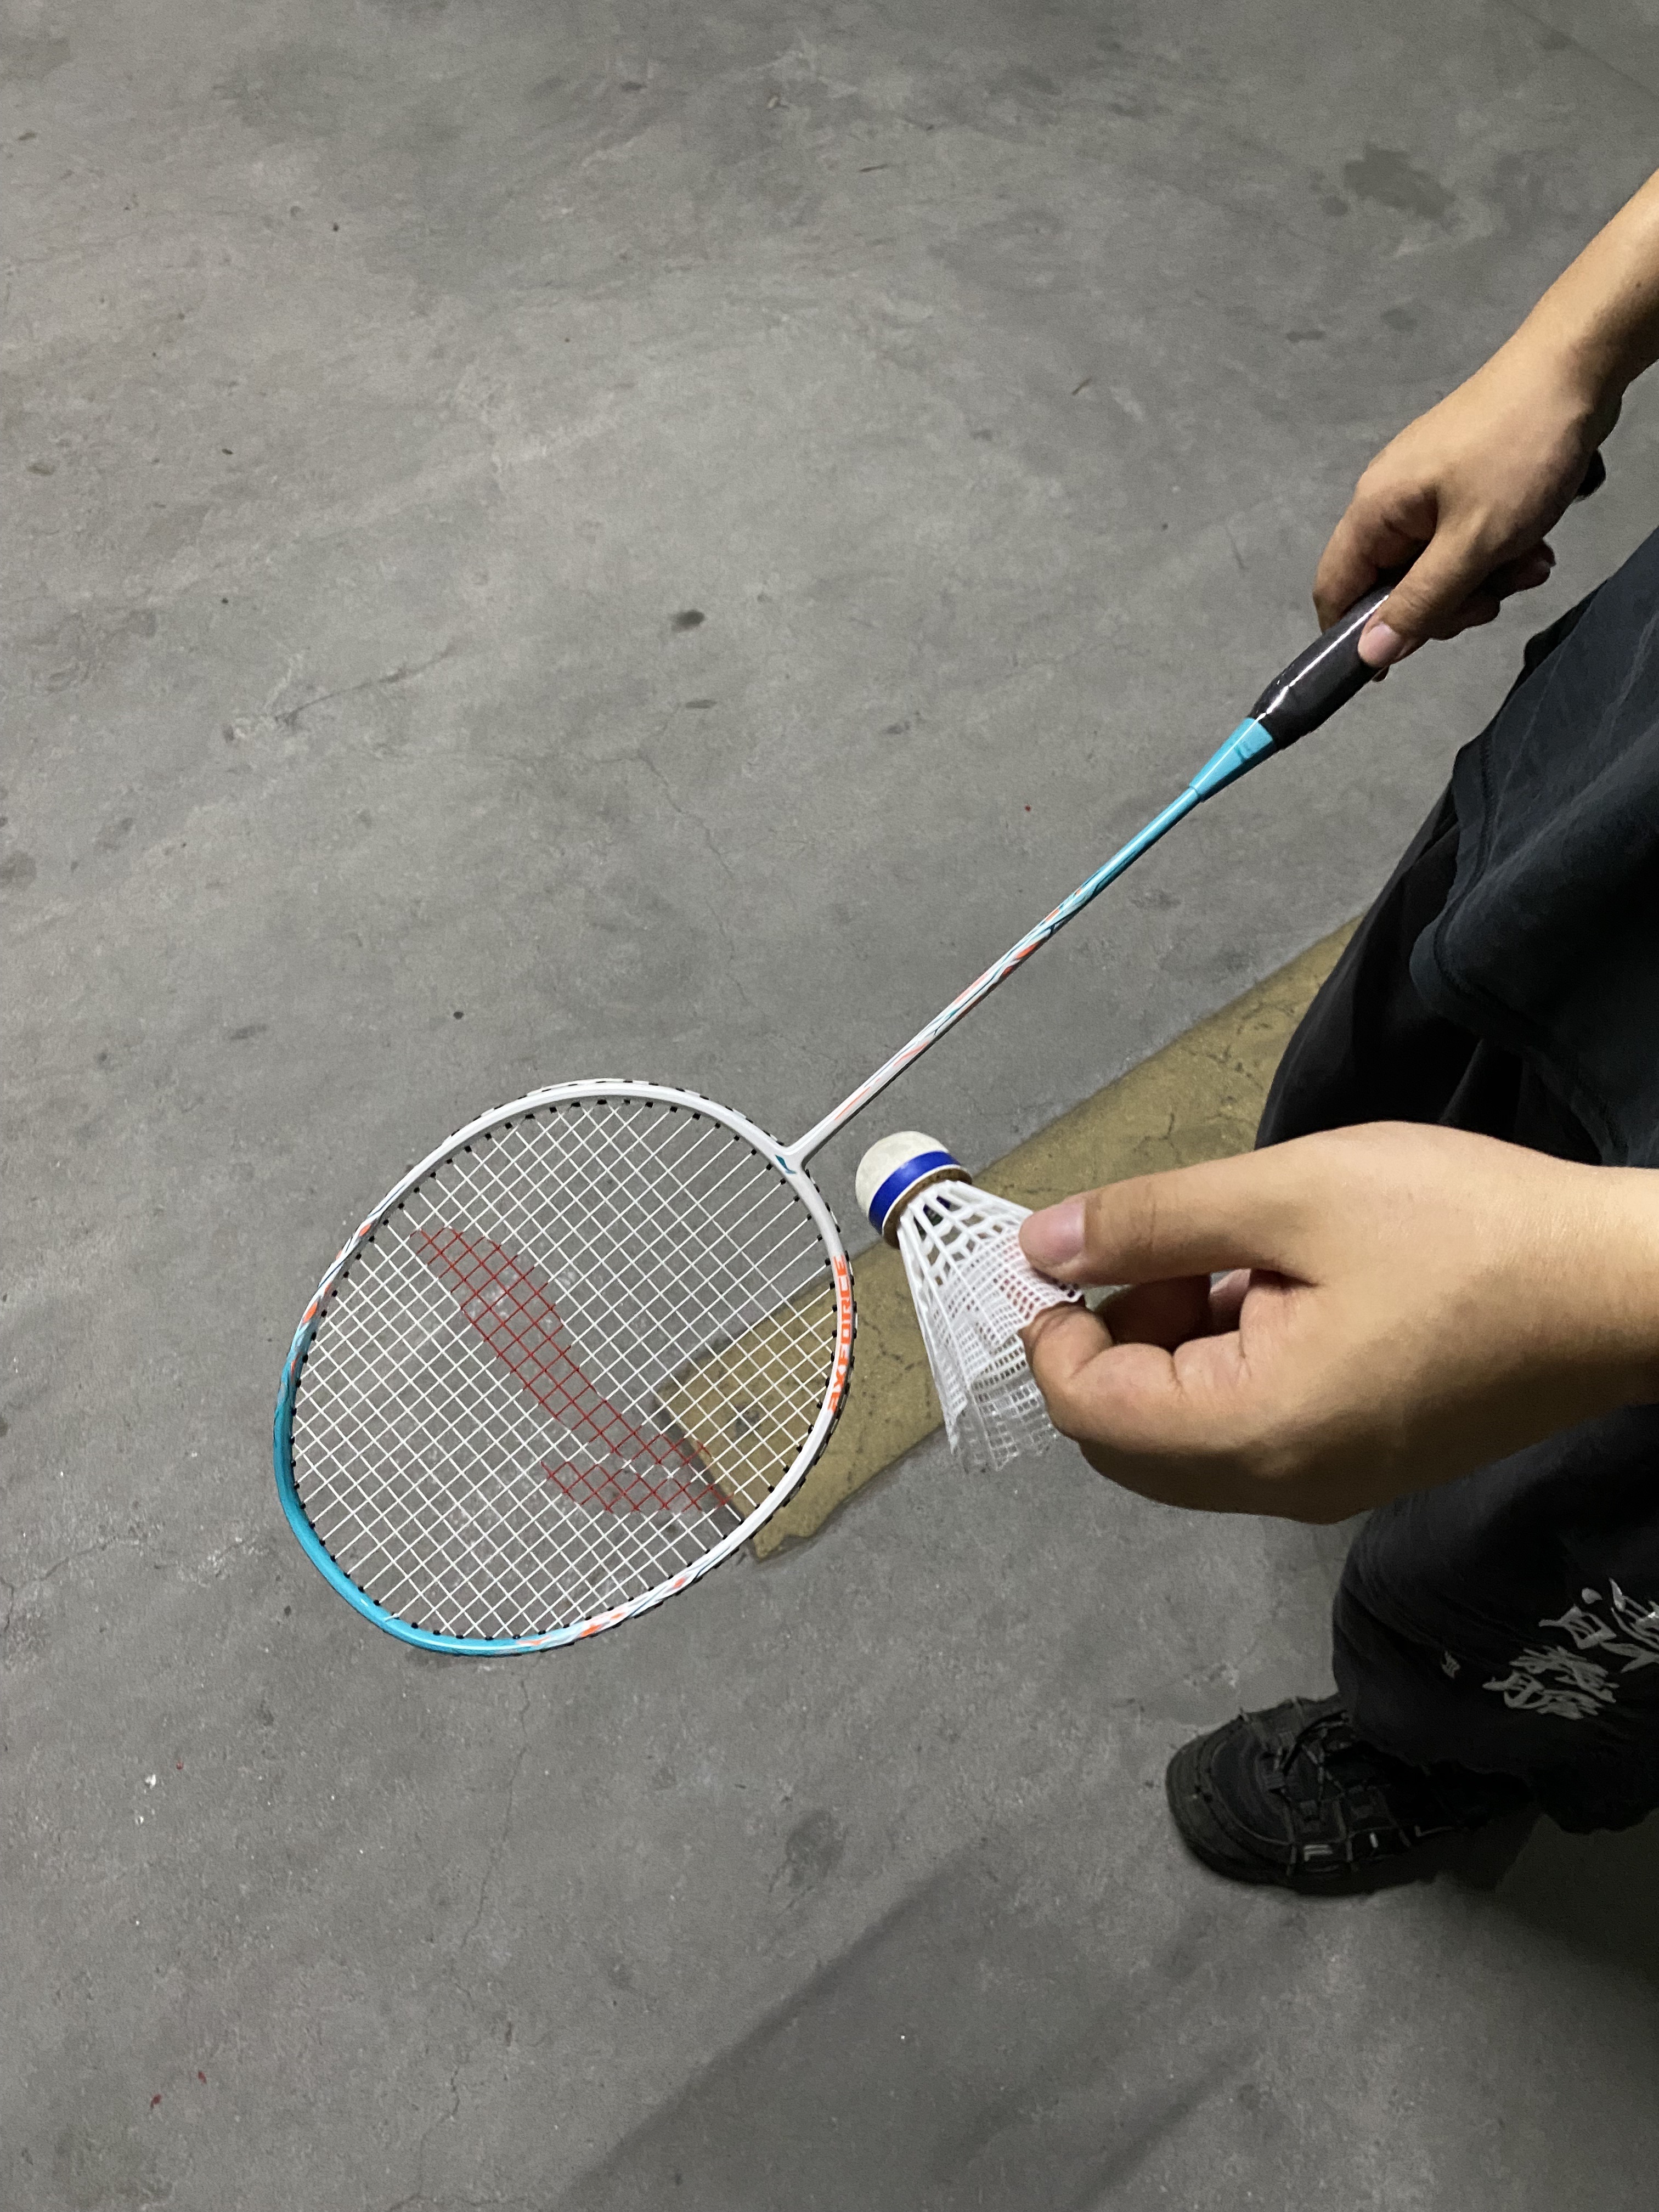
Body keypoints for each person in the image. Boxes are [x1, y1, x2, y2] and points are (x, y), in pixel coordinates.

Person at [1019, 167, 1659, 1890]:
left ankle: (1446, 1747)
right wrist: (1575, 341)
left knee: (1551, 1566)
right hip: (1615, 805)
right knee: (1389, 1077)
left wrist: (1613, 1276)